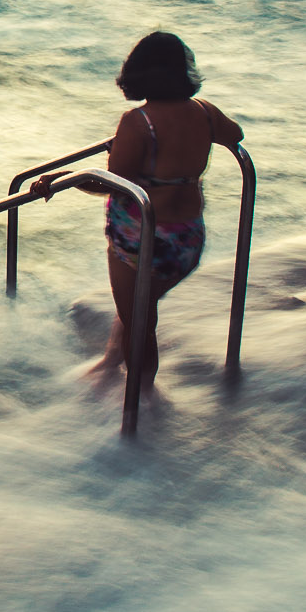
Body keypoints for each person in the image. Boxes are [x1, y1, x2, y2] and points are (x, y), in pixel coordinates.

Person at [37, 32, 242, 385]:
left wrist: (63, 179)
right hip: (187, 238)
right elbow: (234, 135)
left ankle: (141, 401)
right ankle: (111, 361)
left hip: (141, 239)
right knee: (140, 308)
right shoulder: (205, 113)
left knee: (139, 321)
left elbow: (111, 184)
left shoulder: (139, 122)